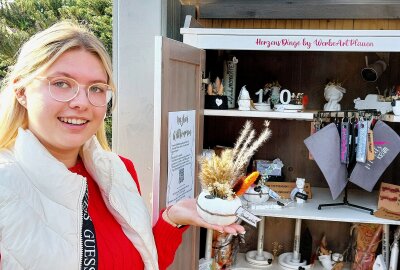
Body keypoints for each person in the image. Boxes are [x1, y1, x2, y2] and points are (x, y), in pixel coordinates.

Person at [0, 21, 244, 270]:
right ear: (21, 91)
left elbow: (143, 263)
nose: (82, 102)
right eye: (62, 83)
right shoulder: (5, 187)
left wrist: (172, 219)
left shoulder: (118, 171)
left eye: (96, 88)